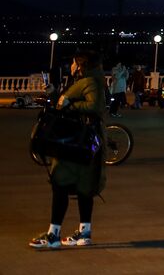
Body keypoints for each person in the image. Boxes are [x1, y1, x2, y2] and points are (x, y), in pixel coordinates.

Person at [29, 50, 108, 250]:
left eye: (74, 63)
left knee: (60, 184)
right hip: (84, 142)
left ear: (81, 65)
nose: (72, 66)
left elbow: (95, 106)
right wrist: (55, 94)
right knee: (84, 189)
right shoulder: (90, 80)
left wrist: (69, 103)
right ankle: (84, 233)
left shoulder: (89, 82)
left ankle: (53, 236)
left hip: (75, 142)